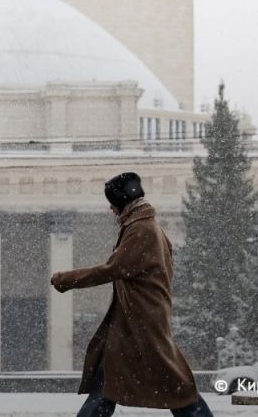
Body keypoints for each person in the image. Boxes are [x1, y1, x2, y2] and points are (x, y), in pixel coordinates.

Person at [50, 173, 212, 417]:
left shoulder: (141, 229)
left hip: (142, 323)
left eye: (113, 203)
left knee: (176, 386)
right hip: (137, 320)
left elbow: (113, 269)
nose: (111, 209)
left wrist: (66, 279)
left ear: (122, 203)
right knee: (112, 383)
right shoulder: (145, 226)